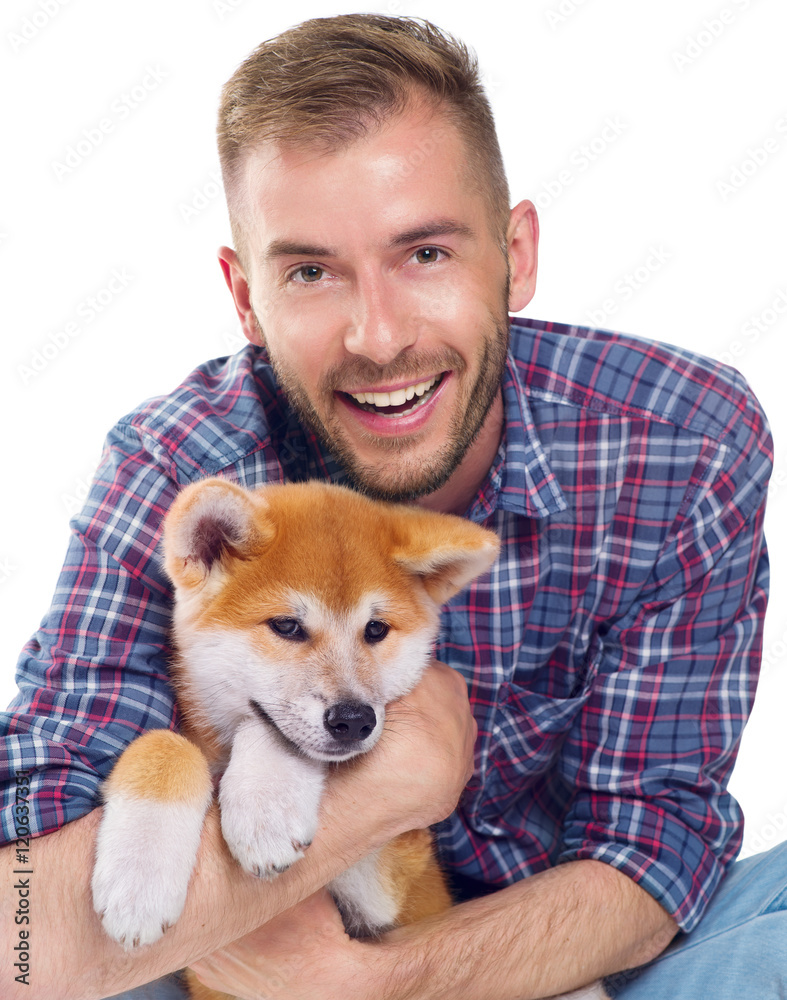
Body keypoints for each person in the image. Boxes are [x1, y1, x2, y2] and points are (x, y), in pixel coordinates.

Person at [1, 13, 784, 1000]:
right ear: (246, 300)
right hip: (243, 954)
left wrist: (380, 982)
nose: (377, 337)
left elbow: (653, 843)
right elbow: (12, 929)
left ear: (516, 253)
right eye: (311, 271)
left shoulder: (680, 443)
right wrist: (380, 791)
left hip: (556, 956)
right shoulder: (179, 467)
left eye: (424, 254)